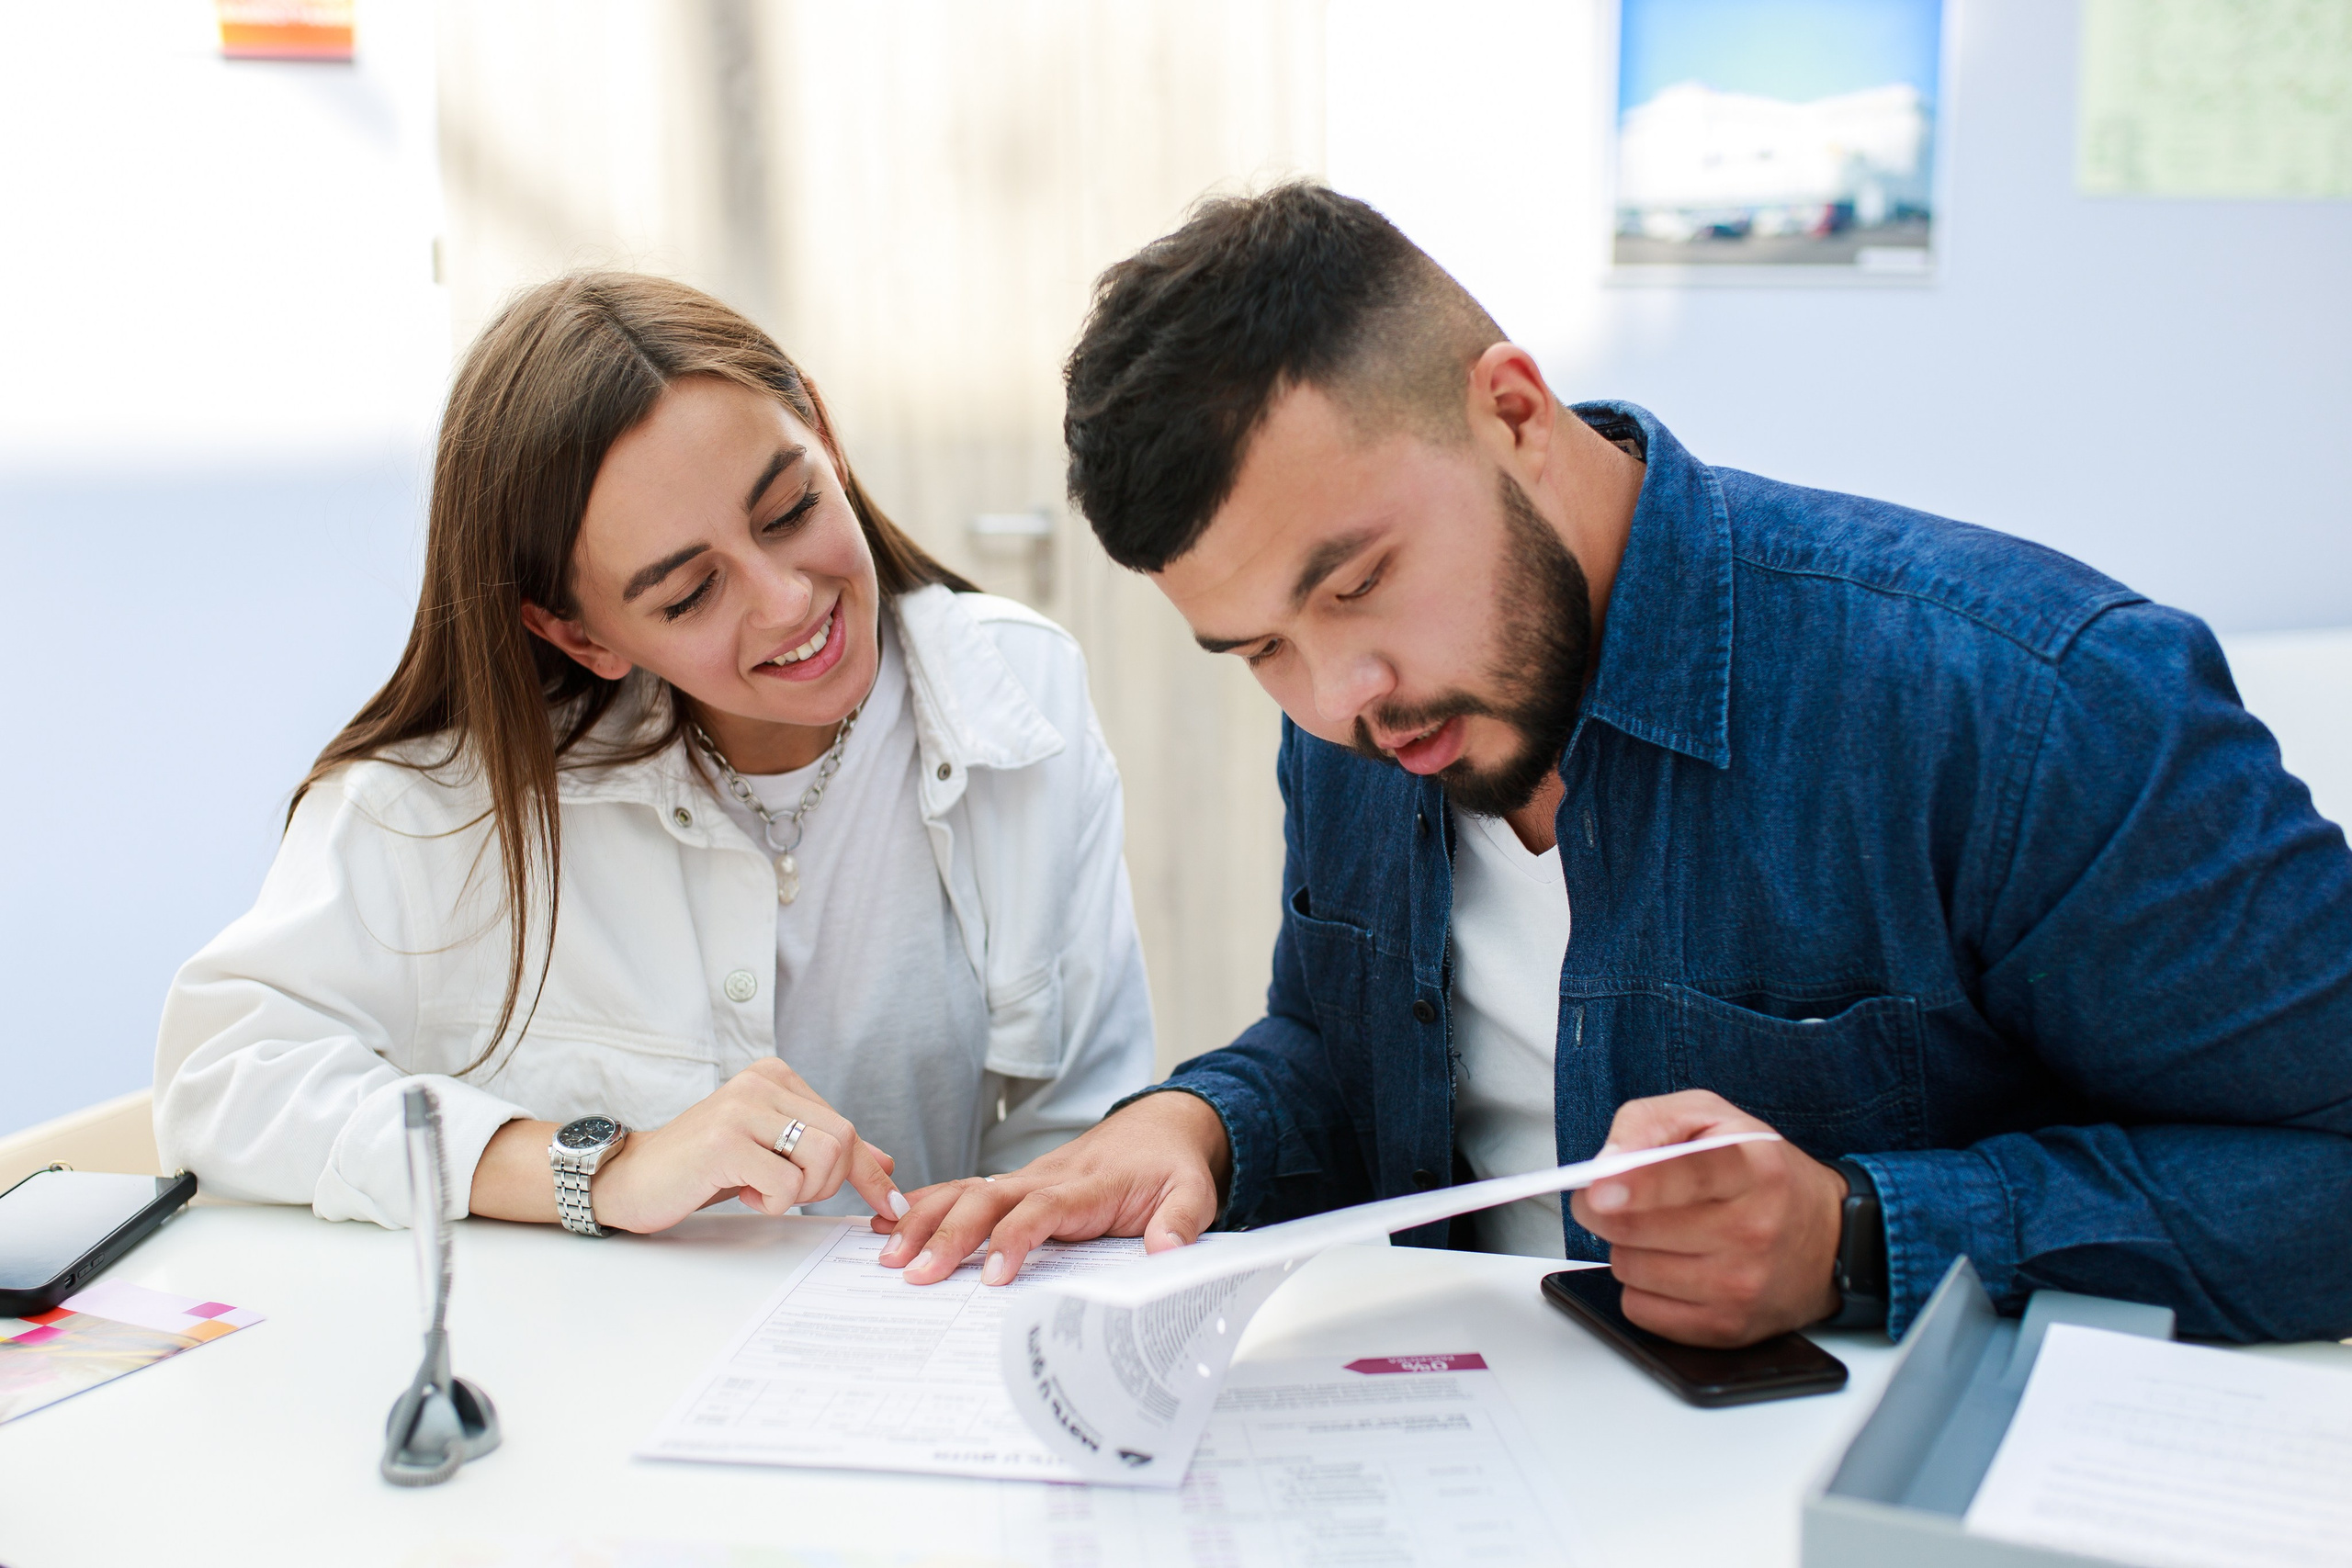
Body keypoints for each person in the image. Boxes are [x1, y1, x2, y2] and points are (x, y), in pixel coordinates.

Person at [877, 184, 2352, 1346]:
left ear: (1515, 412)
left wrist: (1861, 1229)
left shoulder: (2026, 699)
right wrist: (1194, 1123)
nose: (1339, 696)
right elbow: (1360, 1058)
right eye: (1256, 647)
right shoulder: (1372, 705)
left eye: (1355, 584)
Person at [156, 273, 1152, 1237]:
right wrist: (603, 1168)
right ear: (580, 636)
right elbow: (222, 1085)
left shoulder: (1020, 694)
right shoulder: (439, 803)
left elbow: (1080, 1125)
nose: (786, 601)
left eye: (791, 510)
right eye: (688, 595)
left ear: (826, 436)